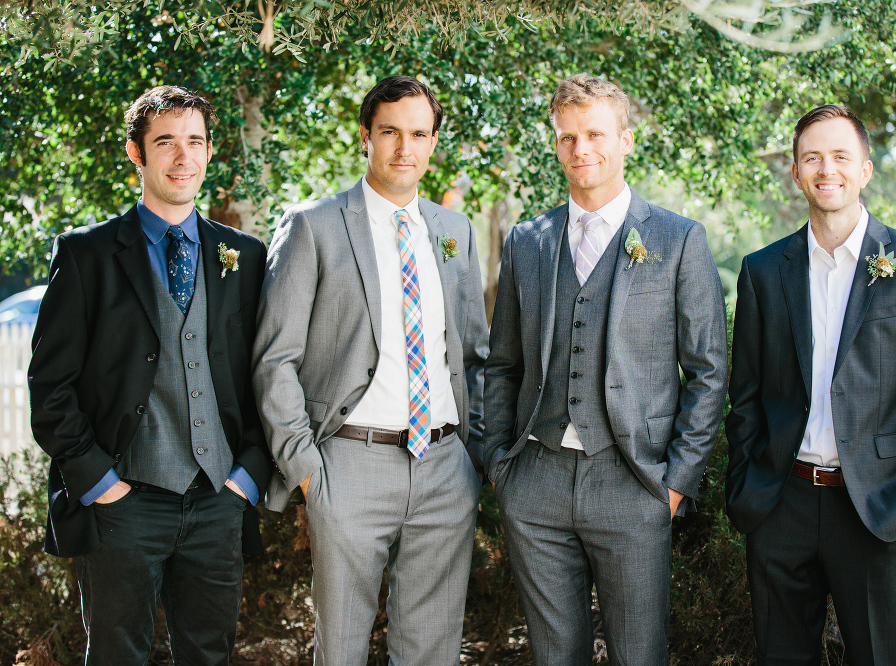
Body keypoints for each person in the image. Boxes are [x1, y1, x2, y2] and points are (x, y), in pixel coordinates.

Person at [482, 74, 729, 665]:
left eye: (595, 134)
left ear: (626, 140)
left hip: (634, 483)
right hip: (535, 481)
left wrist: (672, 484)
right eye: (567, 138)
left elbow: (709, 371)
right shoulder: (527, 241)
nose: (580, 149)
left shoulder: (678, 238)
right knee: (553, 657)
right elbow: (504, 363)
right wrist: (499, 465)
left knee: (638, 655)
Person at [28, 85, 271, 665]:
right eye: (165, 142)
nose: (182, 156)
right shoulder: (87, 254)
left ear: (210, 151)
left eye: (194, 141)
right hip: (122, 503)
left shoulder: (245, 256)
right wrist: (97, 482)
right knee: (116, 655)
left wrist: (248, 477)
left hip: (219, 499)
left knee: (210, 655)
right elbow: (50, 388)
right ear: (138, 154)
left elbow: (266, 373)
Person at [253, 75, 489, 665]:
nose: (403, 148)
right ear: (366, 137)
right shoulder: (314, 226)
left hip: (443, 467)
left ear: (433, 143)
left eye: (417, 134)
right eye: (389, 132)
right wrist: (306, 469)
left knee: (432, 651)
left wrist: (476, 453)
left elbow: (475, 356)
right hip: (348, 466)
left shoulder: (455, 233)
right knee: (341, 649)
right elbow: (274, 358)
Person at [725, 104, 896, 664]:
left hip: (874, 508)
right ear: (796, 171)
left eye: (840, 156)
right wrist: (747, 491)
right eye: (812, 157)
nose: (825, 169)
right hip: (781, 502)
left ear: (865, 170)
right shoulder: (763, 270)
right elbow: (747, 396)